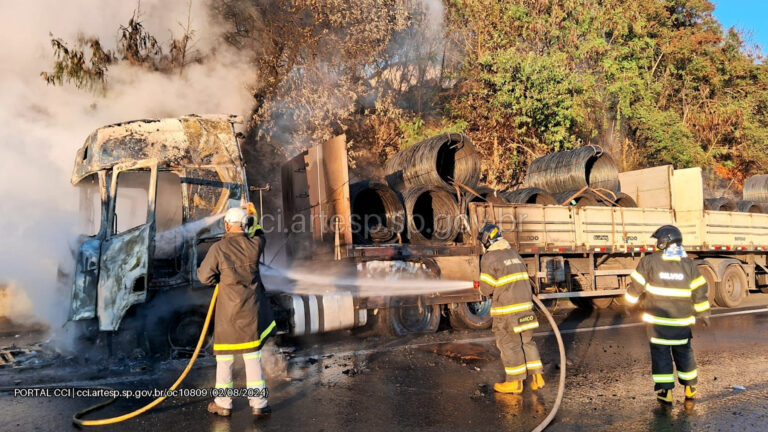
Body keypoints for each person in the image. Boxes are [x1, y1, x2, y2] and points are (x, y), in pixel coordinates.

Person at [197, 206, 277, 418]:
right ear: (245, 224)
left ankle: (223, 404)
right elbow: (260, 234)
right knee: (253, 358)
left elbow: (204, 277)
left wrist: (219, 280)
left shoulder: (218, 248)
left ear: (226, 225)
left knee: (225, 360)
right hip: (251, 312)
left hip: (228, 314)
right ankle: (259, 404)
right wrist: (255, 217)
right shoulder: (254, 245)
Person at [624, 225, 710, 403]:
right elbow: (700, 292)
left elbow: (636, 287)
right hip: (681, 323)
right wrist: (704, 314)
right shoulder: (689, 264)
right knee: (684, 353)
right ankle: (690, 388)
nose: (656, 244)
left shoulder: (649, 261)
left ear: (664, 242)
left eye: (658, 241)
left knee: (661, 355)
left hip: (658, 324)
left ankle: (665, 392)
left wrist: (629, 304)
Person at [477, 223, 545, 394]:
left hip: (507, 312)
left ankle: (515, 383)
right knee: (527, 342)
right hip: (526, 308)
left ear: (486, 240)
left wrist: (480, 286)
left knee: (509, 345)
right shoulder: (513, 254)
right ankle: (538, 377)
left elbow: (486, 289)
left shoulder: (490, 257)